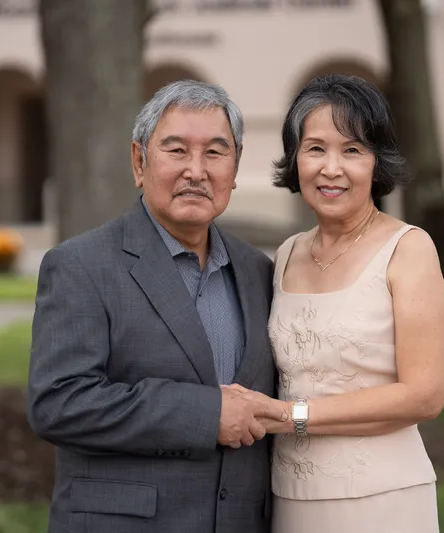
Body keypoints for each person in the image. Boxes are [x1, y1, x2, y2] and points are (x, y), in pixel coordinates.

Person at [27, 80, 287, 533]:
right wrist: (207, 414)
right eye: (176, 150)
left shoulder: (258, 271)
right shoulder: (81, 265)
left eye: (215, 152)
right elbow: (59, 402)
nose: (196, 171)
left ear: (235, 166)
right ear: (139, 161)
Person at [227, 74, 444, 532]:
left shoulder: (408, 249)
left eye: (352, 150)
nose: (331, 168)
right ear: (295, 158)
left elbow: (425, 395)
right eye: (315, 148)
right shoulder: (286, 254)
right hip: (289, 497)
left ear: (377, 162)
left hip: (382, 499)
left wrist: (292, 416)